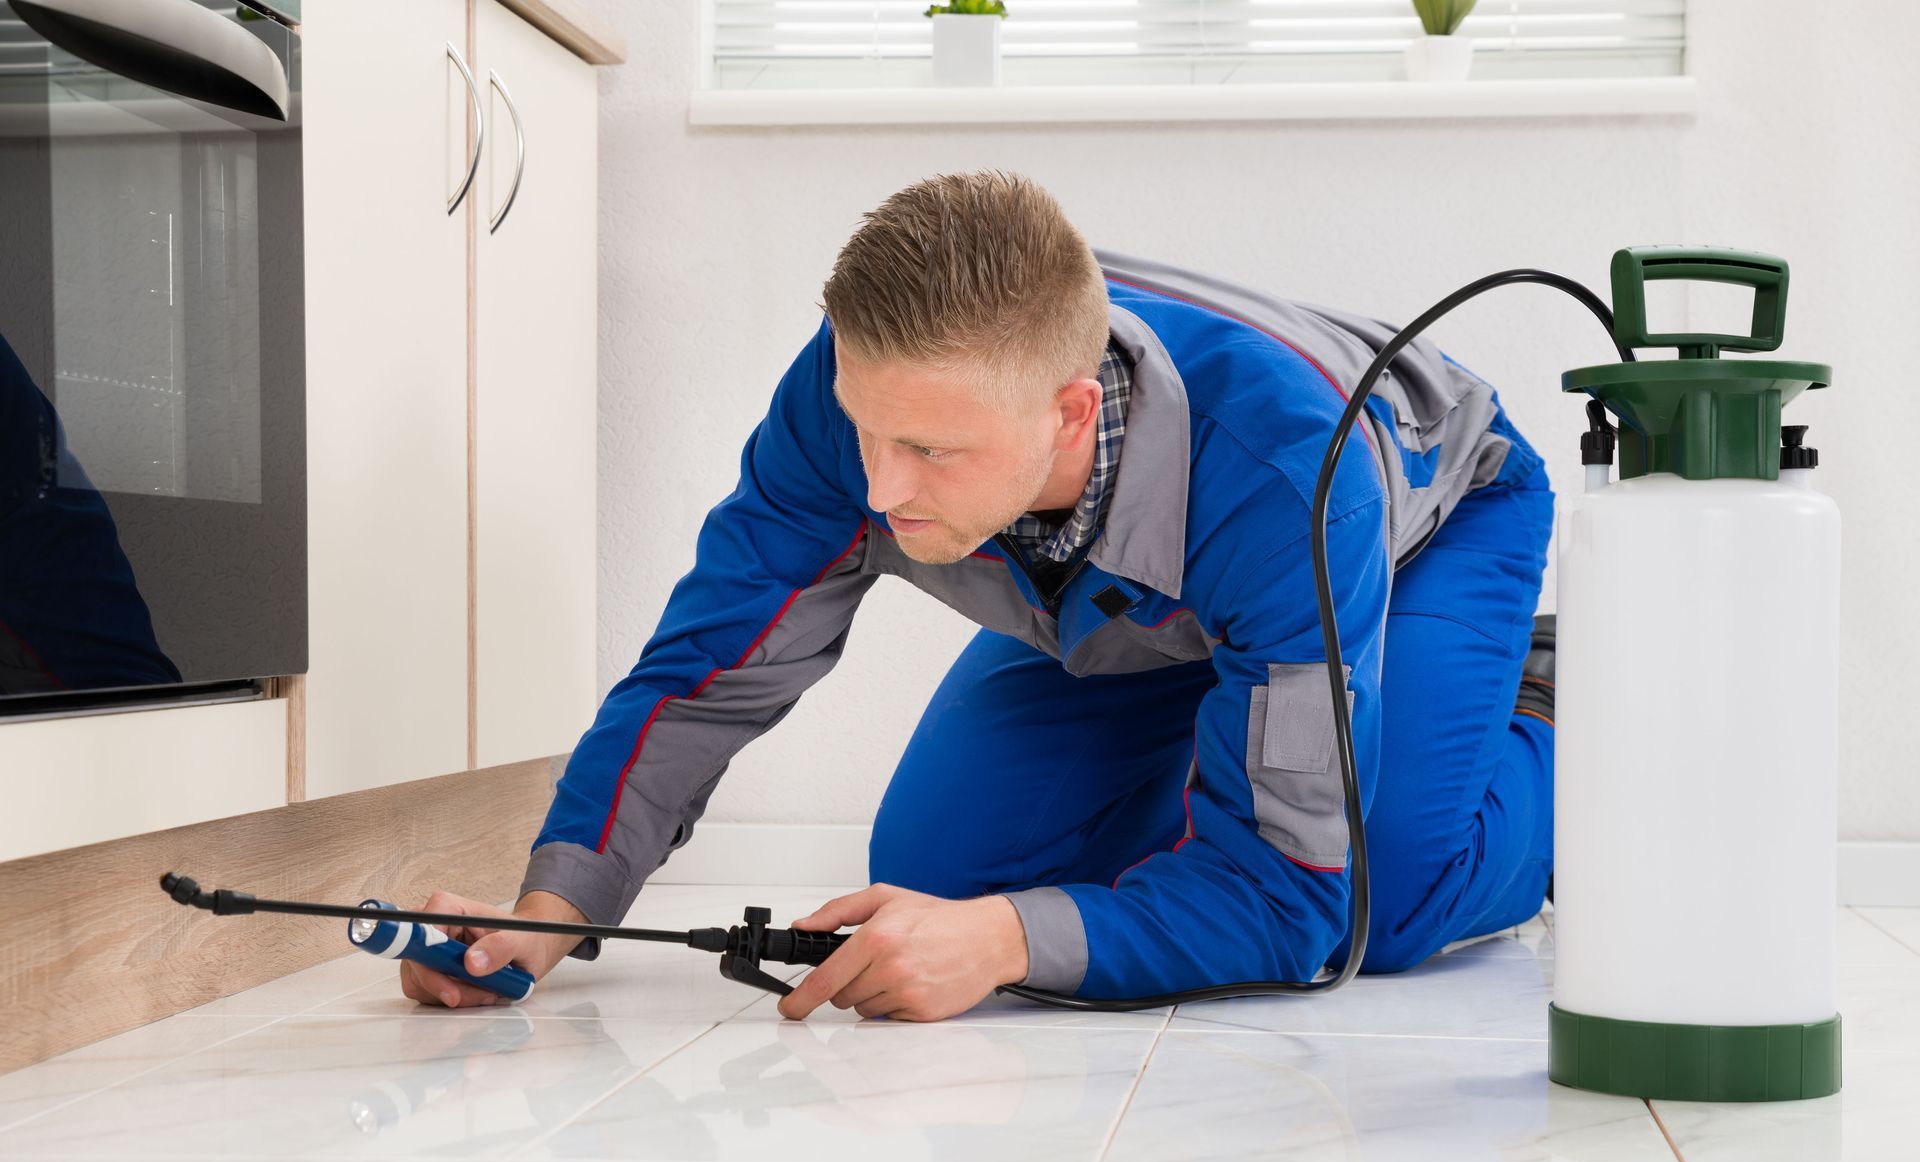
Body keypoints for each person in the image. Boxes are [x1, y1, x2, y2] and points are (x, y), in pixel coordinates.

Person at [399, 170, 1558, 1023]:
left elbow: (1293, 897)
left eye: (929, 453)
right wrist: (558, 902)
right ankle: (1257, 745)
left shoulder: (1293, 481)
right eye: (864, 430)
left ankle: (1551, 725)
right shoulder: (856, 400)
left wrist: (1009, 941)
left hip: (1424, 535)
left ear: (1063, 412)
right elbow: (705, 674)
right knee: (943, 880)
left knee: (1373, 901)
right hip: (1140, 613)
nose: (875, 486)